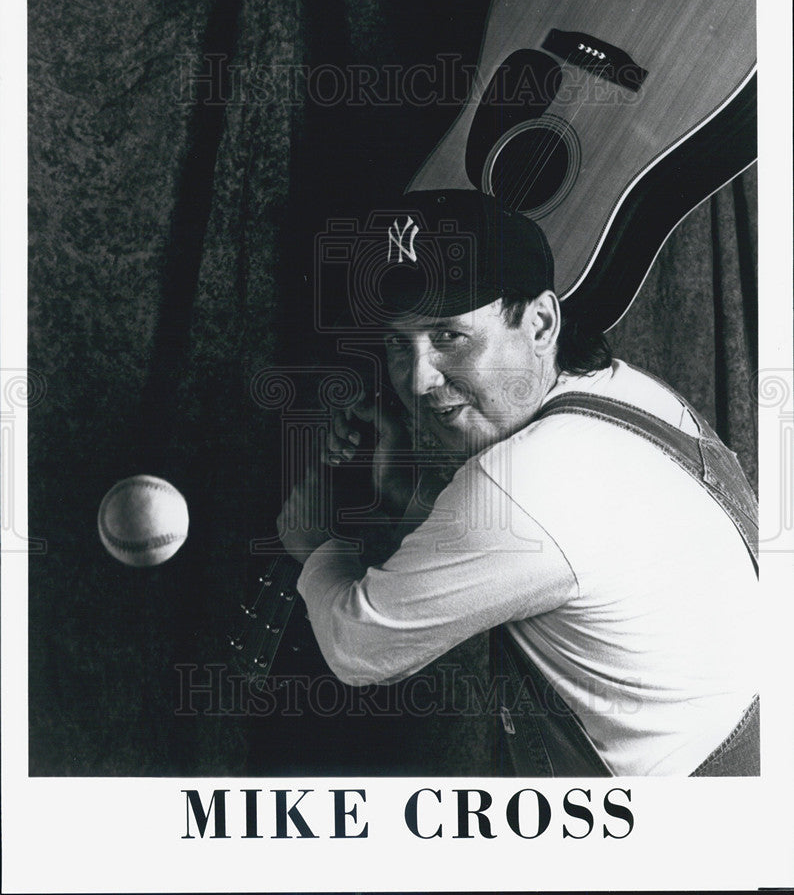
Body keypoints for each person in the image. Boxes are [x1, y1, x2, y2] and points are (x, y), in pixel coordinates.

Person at [277, 189, 759, 777]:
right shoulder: (630, 393)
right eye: (397, 346)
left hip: (690, 843)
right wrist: (404, 487)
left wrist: (313, 546)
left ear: (539, 323)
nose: (420, 379)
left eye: (449, 336)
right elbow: (544, 557)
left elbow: (359, 648)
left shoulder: (521, 483)